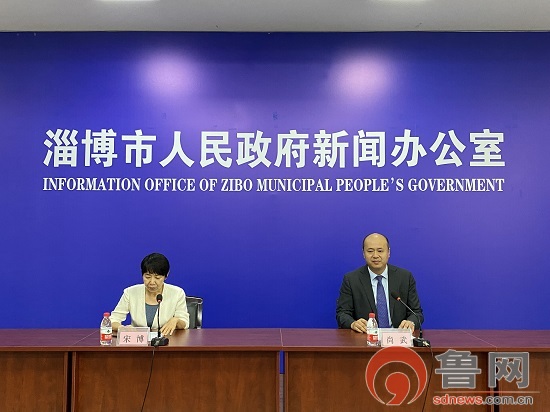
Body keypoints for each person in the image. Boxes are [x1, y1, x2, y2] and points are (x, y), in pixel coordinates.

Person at [336, 233, 424, 333]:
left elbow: (416, 313)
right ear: (363, 253)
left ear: (388, 252)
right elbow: (342, 313)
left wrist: (411, 322)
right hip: (366, 336)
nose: (375, 256)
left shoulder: (405, 277)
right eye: (370, 251)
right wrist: (353, 323)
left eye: (380, 251)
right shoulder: (351, 279)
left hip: (397, 336)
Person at [111, 252, 190, 335]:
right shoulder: (130, 292)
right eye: (147, 277)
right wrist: (122, 328)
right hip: (138, 340)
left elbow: (185, 323)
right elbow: (113, 320)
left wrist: (176, 320)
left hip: (167, 339)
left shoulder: (177, 293)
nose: (152, 282)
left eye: (157, 277)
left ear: (166, 276)